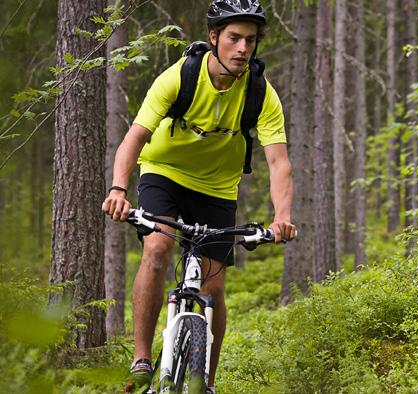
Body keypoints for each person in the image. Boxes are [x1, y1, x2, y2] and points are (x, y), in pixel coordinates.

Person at [101, 0, 296, 392]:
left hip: (217, 188)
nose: (243, 48)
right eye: (234, 38)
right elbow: (134, 139)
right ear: (214, 39)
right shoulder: (179, 77)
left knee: (214, 287)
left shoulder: (261, 93)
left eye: (250, 40)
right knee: (156, 249)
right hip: (164, 174)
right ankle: (141, 358)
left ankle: (205, 381)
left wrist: (282, 218)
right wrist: (119, 189)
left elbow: (278, 162)